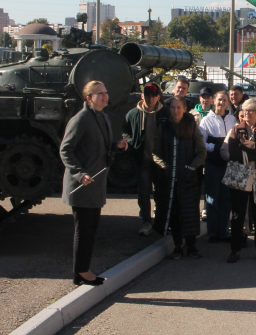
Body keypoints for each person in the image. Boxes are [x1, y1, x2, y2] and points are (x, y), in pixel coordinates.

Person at [60, 81, 129, 285]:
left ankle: (81, 271)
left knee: (91, 228)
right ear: (89, 98)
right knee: (84, 229)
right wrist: (79, 174)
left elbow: (101, 146)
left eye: (106, 92)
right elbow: (66, 150)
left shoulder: (103, 117)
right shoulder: (80, 119)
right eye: (100, 93)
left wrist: (116, 145)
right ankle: (81, 271)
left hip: (96, 184)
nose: (105, 96)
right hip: (82, 185)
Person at [152, 97, 206, 260]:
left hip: (188, 178)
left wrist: (192, 167)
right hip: (169, 180)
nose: (176, 111)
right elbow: (155, 152)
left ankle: (191, 246)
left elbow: (201, 151)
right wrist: (164, 167)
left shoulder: (191, 125)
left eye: (179, 108)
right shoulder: (164, 127)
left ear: (184, 109)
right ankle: (177, 246)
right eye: (173, 108)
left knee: (189, 212)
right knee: (174, 213)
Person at [222, 98, 256, 263]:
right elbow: (234, 151)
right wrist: (251, 146)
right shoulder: (236, 130)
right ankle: (235, 250)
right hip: (241, 175)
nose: (247, 113)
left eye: (251, 111)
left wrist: (244, 144)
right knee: (238, 213)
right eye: (245, 111)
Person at [123, 83, 169, 237]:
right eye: (147, 95)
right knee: (143, 192)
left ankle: (160, 222)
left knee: (160, 192)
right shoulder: (133, 114)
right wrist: (129, 143)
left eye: (153, 95)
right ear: (142, 96)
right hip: (142, 160)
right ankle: (146, 221)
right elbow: (126, 132)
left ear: (158, 97)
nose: (150, 99)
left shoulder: (165, 114)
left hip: (160, 161)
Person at [199, 91, 236, 244]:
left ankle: (223, 232)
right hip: (213, 164)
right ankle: (212, 232)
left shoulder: (232, 119)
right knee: (212, 199)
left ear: (228, 103)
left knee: (226, 199)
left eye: (225, 100)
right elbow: (202, 143)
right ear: (214, 101)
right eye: (219, 100)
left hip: (229, 165)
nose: (222, 103)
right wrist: (216, 147)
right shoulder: (206, 121)